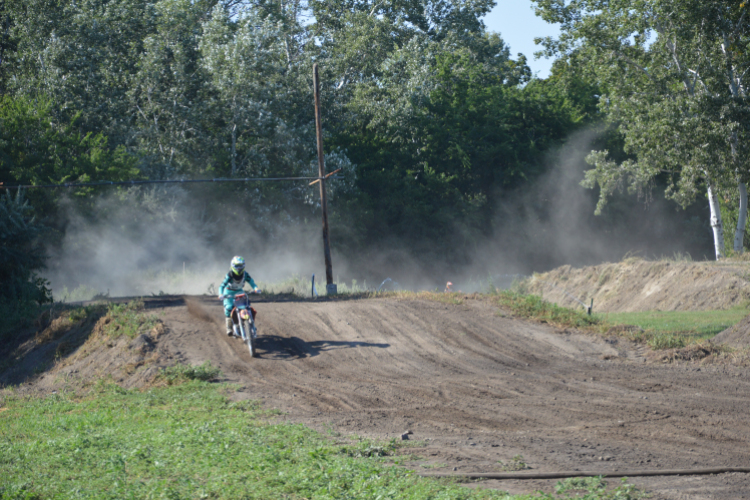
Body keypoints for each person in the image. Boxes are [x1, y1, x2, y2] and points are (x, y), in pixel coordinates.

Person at [218, 256, 260, 336]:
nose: (239, 268)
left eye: (241, 266)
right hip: (229, 292)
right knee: (229, 308)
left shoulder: (245, 274)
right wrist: (221, 294)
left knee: (247, 306)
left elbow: (251, 282)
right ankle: (229, 327)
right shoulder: (229, 275)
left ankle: (251, 324)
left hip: (239, 292)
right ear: (232, 266)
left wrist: (255, 288)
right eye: (237, 266)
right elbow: (222, 285)